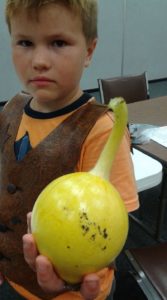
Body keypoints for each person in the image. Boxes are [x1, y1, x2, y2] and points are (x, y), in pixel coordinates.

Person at [0, 0, 139, 299]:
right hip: (13, 281)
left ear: (89, 51)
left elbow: (111, 227)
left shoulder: (101, 128)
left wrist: (73, 281)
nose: (38, 60)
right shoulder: (10, 110)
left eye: (58, 42)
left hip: (73, 293)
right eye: (25, 42)